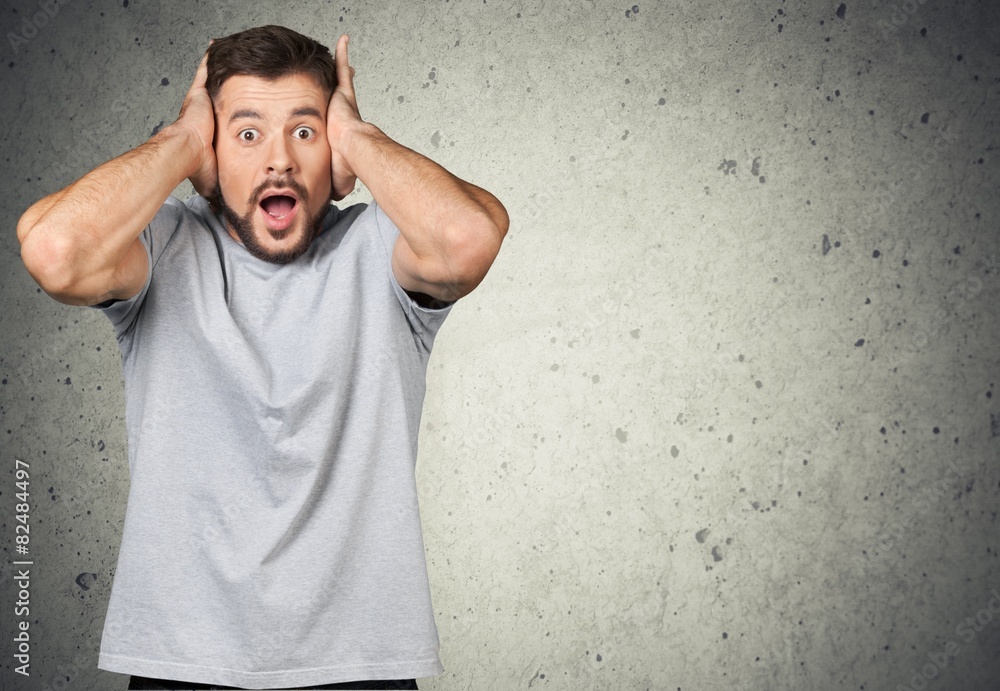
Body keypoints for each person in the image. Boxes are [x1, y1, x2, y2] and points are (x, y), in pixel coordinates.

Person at [16, 25, 508, 691]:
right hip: (182, 665)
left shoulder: (376, 247)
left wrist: (358, 138)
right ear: (214, 150)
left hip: (358, 665)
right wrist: (182, 139)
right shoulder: (162, 248)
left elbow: (468, 237)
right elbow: (56, 252)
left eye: (305, 132)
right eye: (246, 133)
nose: (278, 159)